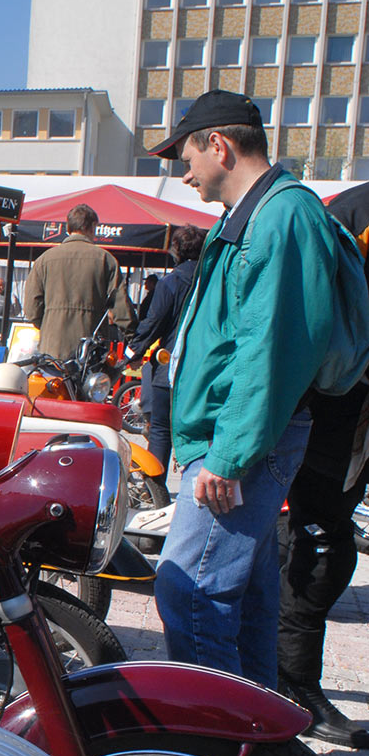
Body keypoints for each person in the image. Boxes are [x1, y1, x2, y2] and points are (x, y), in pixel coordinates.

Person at [150, 89, 363, 687]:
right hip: (241, 435)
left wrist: (229, 455)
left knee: (189, 593)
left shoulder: (280, 215)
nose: (184, 174)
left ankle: (209, 738)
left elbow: (273, 349)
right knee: (244, 600)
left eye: (186, 158)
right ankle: (258, 737)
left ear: (218, 145)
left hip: (240, 440)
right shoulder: (259, 212)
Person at [275, 180, 369, 747]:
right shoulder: (352, 212)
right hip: (329, 409)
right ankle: (291, 685)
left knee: (322, 543)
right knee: (320, 547)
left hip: (343, 412)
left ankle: (285, 678)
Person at [125, 224, 202, 473]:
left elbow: (154, 322)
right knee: (200, 433)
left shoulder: (170, 282)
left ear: (176, 249)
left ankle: (154, 485)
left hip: (170, 367)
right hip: (203, 367)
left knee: (160, 429)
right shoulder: (212, 280)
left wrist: (132, 353)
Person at [25, 203, 134, 361]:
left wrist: (50, 325)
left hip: (51, 349)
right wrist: (134, 338)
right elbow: (121, 308)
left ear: (68, 227)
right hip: (90, 349)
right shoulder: (105, 259)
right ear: (92, 227)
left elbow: (31, 309)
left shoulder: (44, 260)